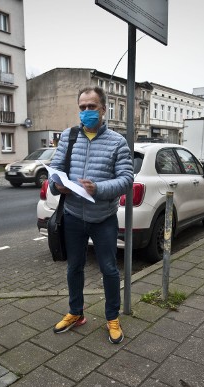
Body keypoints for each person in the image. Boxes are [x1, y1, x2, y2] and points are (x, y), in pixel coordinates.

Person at [49, 86, 134, 344]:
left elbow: (127, 180)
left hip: (103, 219)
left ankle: (112, 317)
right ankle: (76, 313)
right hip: (74, 215)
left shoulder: (117, 142)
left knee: (109, 269)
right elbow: (55, 168)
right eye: (82, 107)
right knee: (74, 267)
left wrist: (97, 189)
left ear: (103, 109)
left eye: (92, 107)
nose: (86, 112)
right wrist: (56, 184)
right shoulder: (69, 136)